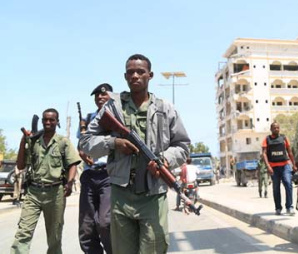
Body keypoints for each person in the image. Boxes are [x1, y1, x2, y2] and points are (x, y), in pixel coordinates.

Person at [80, 54, 190, 254]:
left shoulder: (165, 108)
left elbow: (183, 146)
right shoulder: (112, 107)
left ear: (150, 75)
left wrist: (165, 160)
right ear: (125, 76)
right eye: (130, 72)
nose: (135, 76)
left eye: (141, 72)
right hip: (121, 194)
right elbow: (86, 142)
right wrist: (113, 142)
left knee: (154, 248)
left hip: (153, 193)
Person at [11, 108, 81, 254]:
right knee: (23, 232)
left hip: (55, 193)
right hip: (33, 193)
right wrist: (24, 140)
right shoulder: (34, 141)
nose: (48, 122)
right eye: (45, 120)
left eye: (51, 120)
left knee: (54, 236)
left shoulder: (63, 142)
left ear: (57, 121)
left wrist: (69, 183)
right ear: (42, 121)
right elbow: (20, 165)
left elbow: (73, 163)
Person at [77, 83, 114, 254]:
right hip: (89, 174)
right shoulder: (88, 119)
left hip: (109, 174)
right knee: (86, 228)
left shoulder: (117, 117)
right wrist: (84, 154)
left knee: (105, 222)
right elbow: (81, 146)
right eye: (97, 95)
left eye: (103, 94)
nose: (100, 97)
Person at [261, 122, 297, 215]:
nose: (276, 129)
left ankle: (289, 207)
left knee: (288, 183)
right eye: (274, 128)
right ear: (271, 129)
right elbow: (264, 153)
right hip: (273, 167)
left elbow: (290, 152)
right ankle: (278, 208)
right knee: (276, 187)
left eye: (278, 128)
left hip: (285, 165)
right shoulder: (267, 139)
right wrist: (268, 166)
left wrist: (294, 164)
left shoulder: (284, 138)